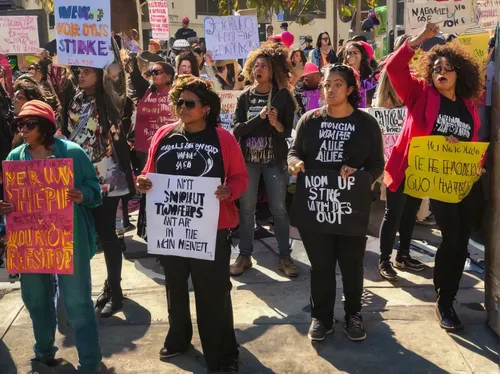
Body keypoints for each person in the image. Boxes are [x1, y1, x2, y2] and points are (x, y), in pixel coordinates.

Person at [136, 75, 248, 372]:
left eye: (189, 103)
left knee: (212, 292)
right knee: (174, 286)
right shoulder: (163, 134)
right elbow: (148, 172)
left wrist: (229, 191)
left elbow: (240, 178)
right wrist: (143, 182)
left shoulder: (223, 138)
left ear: (206, 108)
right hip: (171, 228)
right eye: (178, 102)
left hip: (212, 229)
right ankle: (178, 339)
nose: (181, 108)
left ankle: (223, 353)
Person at [383, 23, 484, 330]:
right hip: (436, 180)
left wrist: (470, 154)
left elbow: (475, 139)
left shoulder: (469, 105)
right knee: (452, 236)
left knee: (462, 239)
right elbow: (394, 67)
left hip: (465, 180)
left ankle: (448, 294)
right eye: (437, 67)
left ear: (459, 74)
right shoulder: (421, 94)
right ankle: (445, 302)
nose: (442, 71)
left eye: (448, 68)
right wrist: (418, 41)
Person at [0, 100, 102, 372]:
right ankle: (43, 352)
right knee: (35, 299)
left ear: (45, 126)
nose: (22, 129)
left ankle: (90, 363)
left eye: (29, 124)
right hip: (30, 241)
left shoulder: (73, 153)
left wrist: (83, 195)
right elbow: (9, 198)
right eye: (19, 124)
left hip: (69, 238)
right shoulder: (15, 156)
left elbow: (95, 190)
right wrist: (4, 208)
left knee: (77, 301)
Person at [288, 64, 384, 342]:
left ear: (351, 89)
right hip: (316, 206)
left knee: (352, 266)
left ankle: (353, 314)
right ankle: (321, 317)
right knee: (321, 267)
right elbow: (294, 151)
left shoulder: (366, 124)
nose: (330, 89)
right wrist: (294, 163)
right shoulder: (309, 120)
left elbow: (377, 164)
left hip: (350, 209)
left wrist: (363, 176)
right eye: (327, 84)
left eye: (338, 84)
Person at [62, 48, 133, 318]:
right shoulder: (74, 100)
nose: (81, 74)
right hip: (78, 178)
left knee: (107, 236)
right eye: (80, 70)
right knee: (82, 237)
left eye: (88, 70)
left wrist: (109, 43)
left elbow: (118, 75)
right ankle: (85, 292)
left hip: (107, 179)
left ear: (100, 75)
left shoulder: (110, 101)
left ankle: (114, 292)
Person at [230, 42, 298, 277]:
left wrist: (276, 123)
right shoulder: (244, 97)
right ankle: (245, 254)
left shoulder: (283, 97)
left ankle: (285, 257)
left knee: (278, 210)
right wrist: (259, 120)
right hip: (247, 161)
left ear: (273, 71)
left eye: (264, 66)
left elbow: (287, 131)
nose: (259, 69)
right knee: (246, 210)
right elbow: (237, 130)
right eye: (256, 65)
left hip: (273, 162)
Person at [343, 41, 377, 108]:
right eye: (349, 53)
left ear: (362, 56)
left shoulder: (368, 76)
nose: (352, 55)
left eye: (355, 52)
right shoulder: (343, 73)